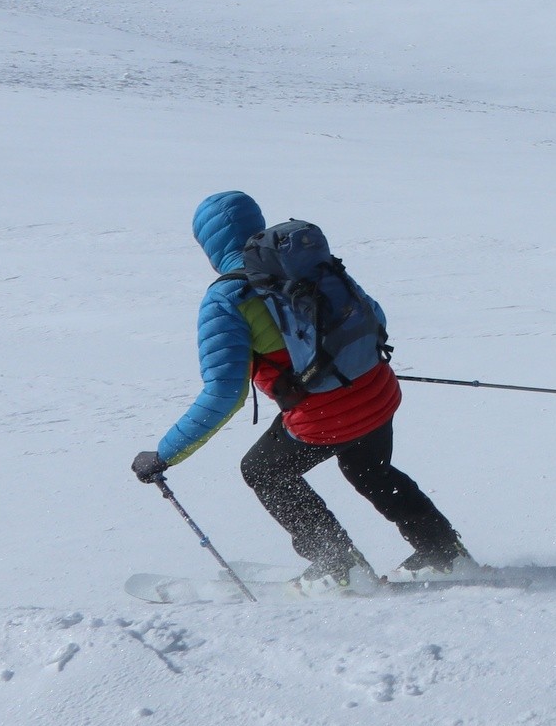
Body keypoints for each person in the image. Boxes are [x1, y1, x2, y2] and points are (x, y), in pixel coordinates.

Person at [131, 190, 469, 590]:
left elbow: (225, 394)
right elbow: (374, 316)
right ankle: (443, 551)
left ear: (208, 244)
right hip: (377, 392)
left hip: (326, 415)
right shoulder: (309, 265)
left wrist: (164, 455)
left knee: (264, 471)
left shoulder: (228, 299)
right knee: (370, 468)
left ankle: (338, 566)